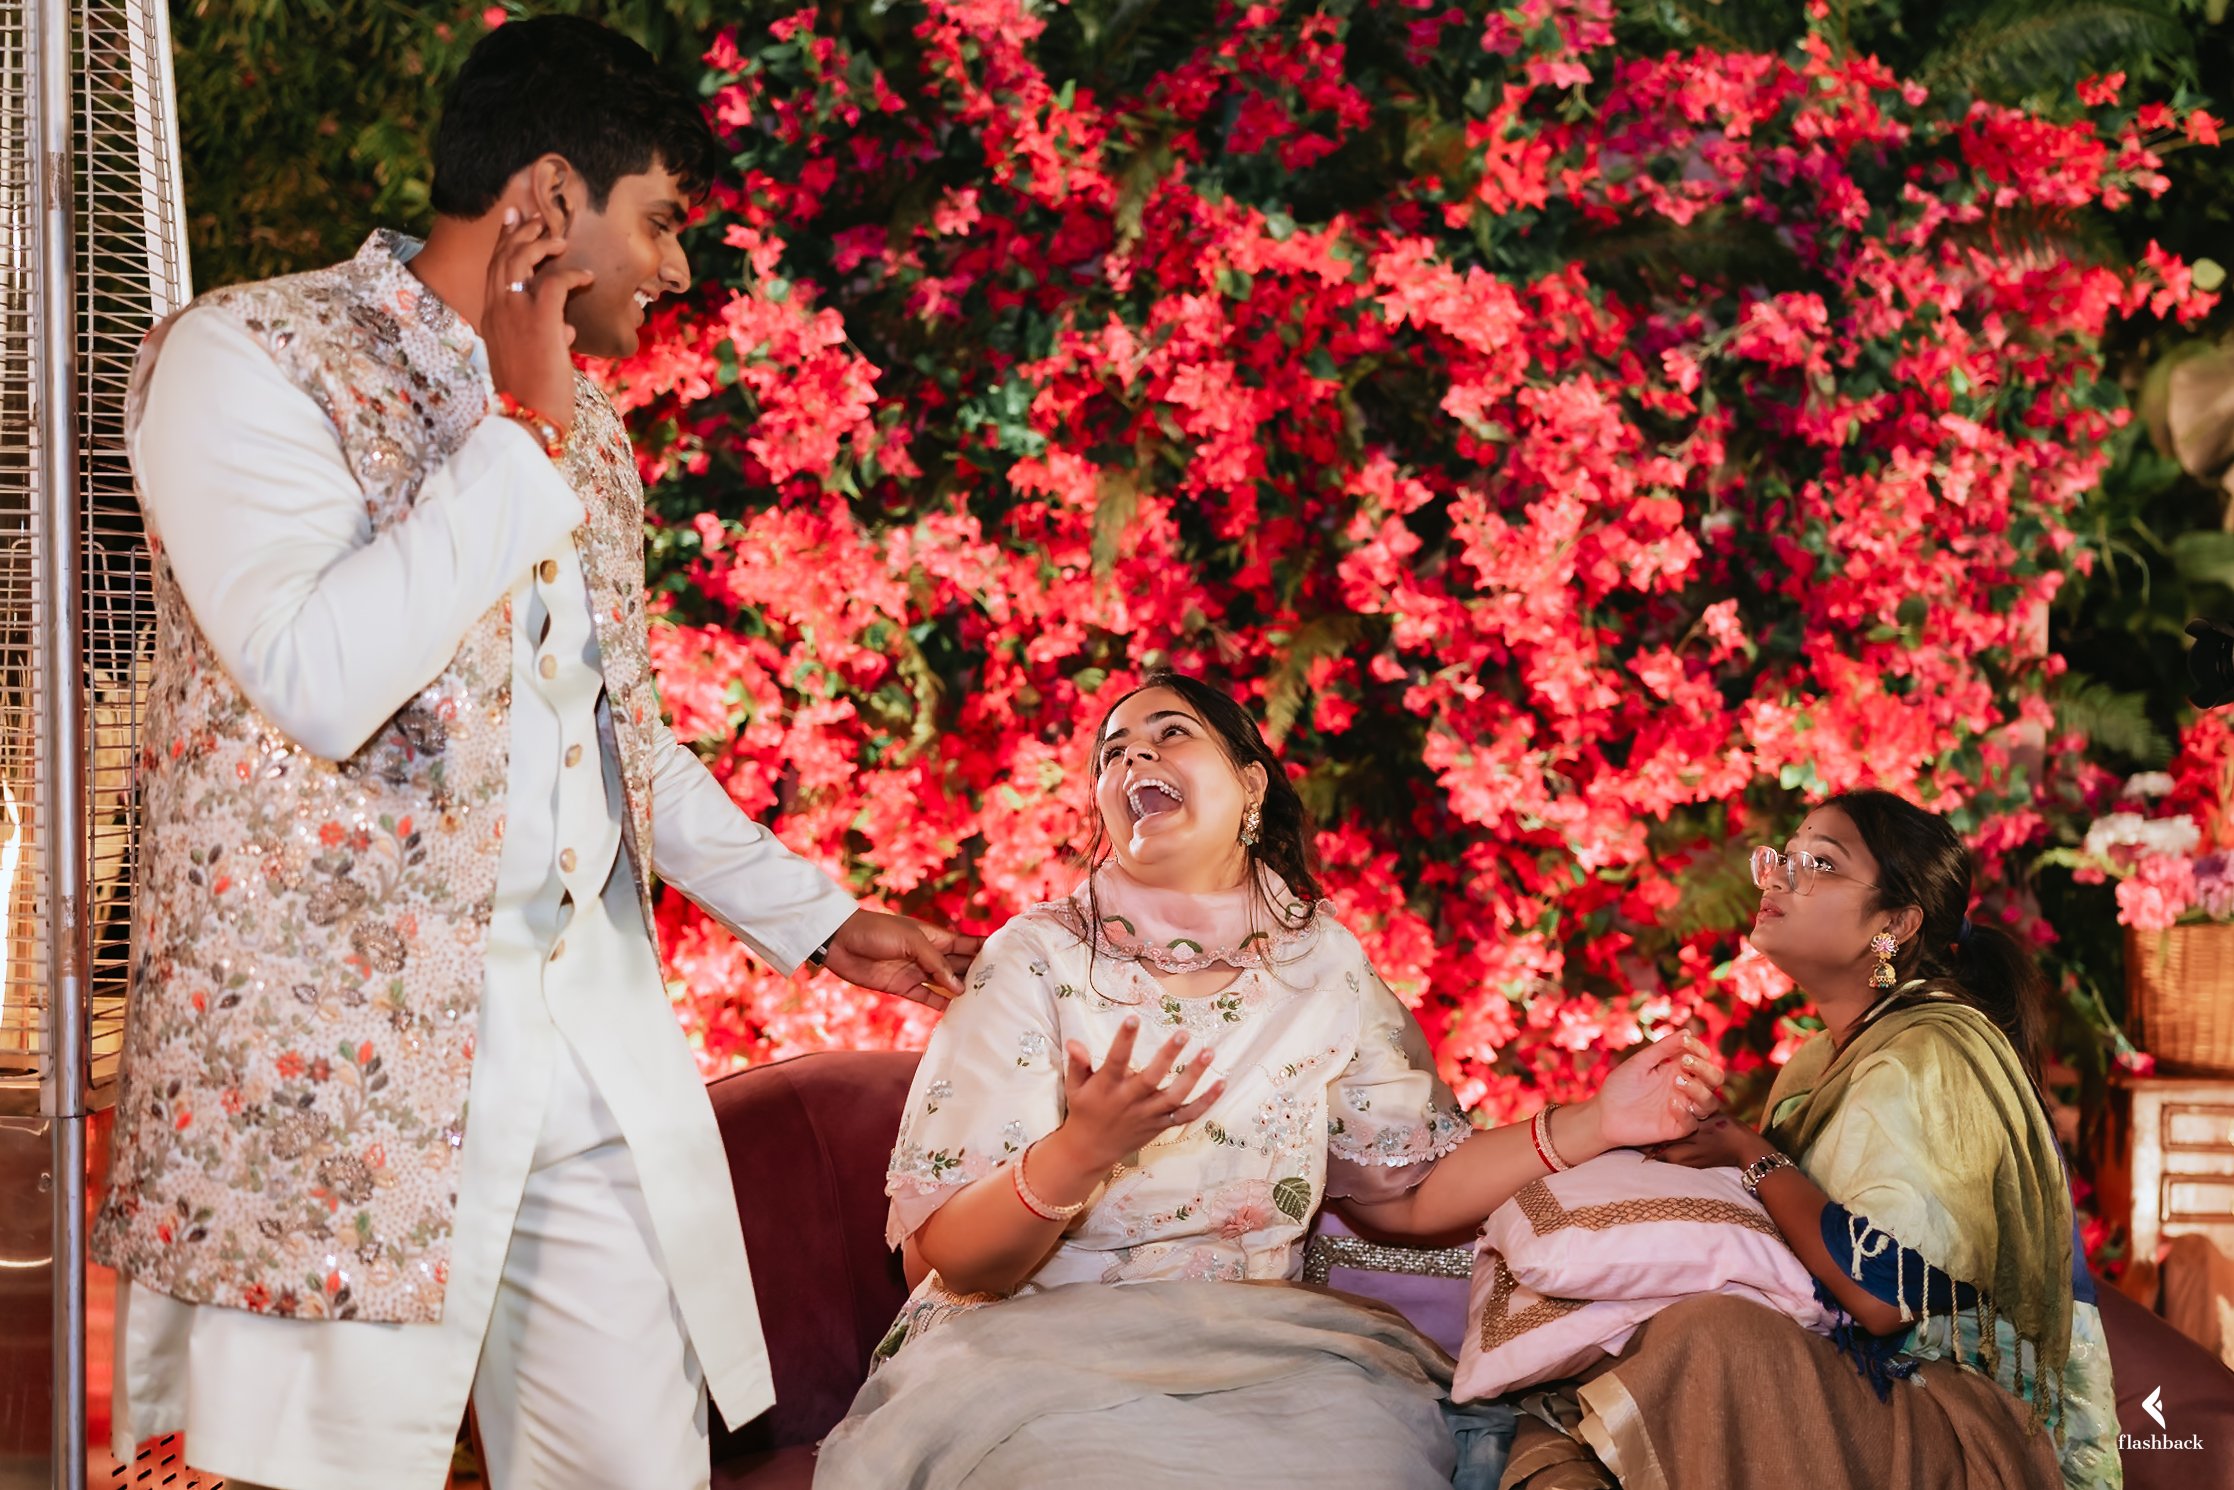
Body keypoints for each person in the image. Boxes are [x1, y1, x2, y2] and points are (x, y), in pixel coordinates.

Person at [93, 17, 977, 1490]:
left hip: (587, 1068)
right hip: (348, 1081)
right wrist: (516, 427)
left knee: (638, 1469)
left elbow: (616, 734)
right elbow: (318, 679)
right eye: (663, 219)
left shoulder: (586, 424)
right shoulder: (246, 356)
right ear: (552, 200)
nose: (677, 267)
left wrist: (824, 921)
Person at [815, 673, 1726, 1488]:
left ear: (1251, 785)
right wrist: (1081, 1151)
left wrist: (1598, 1120)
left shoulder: (1323, 965)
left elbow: (1406, 1194)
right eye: (1113, 752)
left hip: (1267, 1352)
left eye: (1170, 733)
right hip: (1032, 1353)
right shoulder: (1035, 959)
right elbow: (944, 1259)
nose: (1134, 757)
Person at [1555, 790, 2119, 1490]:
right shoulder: (1817, 1063)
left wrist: (1749, 1154)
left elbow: (1885, 1294)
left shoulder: (1936, 1050)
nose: (1778, 877)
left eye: (1821, 863)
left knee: (1714, 1340)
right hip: (1872, 1388)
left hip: (1979, 1429)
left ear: (1894, 925)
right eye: (1783, 856)